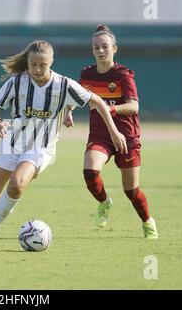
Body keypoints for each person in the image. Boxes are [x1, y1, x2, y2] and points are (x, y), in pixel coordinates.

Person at [0, 40, 127, 248]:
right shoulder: (17, 82)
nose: (37, 69)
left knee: (17, 184)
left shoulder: (63, 84)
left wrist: (114, 131)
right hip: (12, 144)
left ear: (51, 62)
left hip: (40, 148)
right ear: (28, 61)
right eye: (33, 64)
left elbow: (97, 101)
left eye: (42, 65)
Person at [64, 24, 158, 239]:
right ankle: (104, 203)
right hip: (100, 135)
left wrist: (109, 108)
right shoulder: (87, 74)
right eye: (96, 47)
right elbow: (77, 96)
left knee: (131, 191)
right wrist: (68, 110)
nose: (100, 50)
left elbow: (134, 106)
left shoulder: (123, 75)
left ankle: (147, 221)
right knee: (90, 172)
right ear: (92, 50)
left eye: (105, 46)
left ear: (114, 49)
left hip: (127, 136)